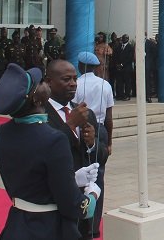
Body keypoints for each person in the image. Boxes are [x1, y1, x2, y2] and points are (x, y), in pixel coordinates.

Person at [0, 63, 100, 240]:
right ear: (36, 99)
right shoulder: (53, 139)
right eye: (41, 82)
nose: (45, 84)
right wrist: (92, 194)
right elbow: (76, 206)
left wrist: (71, 178)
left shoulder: (4, 132)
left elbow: (33, 177)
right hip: (49, 227)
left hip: (17, 224)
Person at [45, 60, 108, 239]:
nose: (73, 83)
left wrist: (92, 144)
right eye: (66, 79)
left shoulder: (85, 113)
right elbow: (44, 150)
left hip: (84, 202)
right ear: (49, 81)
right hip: (56, 202)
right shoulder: (41, 113)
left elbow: (101, 156)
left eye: (74, 78)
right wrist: (70, 124)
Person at [73, 52, 114, 238]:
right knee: (98, 177)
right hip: (99, 129)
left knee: (80, 173)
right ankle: (94, 226)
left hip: (80, 128)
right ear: (96, 66)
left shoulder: (76, 84)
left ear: (80, 66)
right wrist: (109, 142)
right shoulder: (105, 85)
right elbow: (109, 117)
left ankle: (81, 220)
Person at [113, 34, 134, 100]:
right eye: (123, 38)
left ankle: (127, 95)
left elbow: (129, 58)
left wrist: (122, 64)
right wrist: (117, 64)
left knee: (127, 82)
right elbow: (115, 56)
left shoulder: (130, 47)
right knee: (119, 82)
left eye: (125, 38)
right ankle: (120, 95)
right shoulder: (119, 46)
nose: (123, 39)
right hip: (119, 68)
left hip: (126, 68)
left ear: (128, 39)